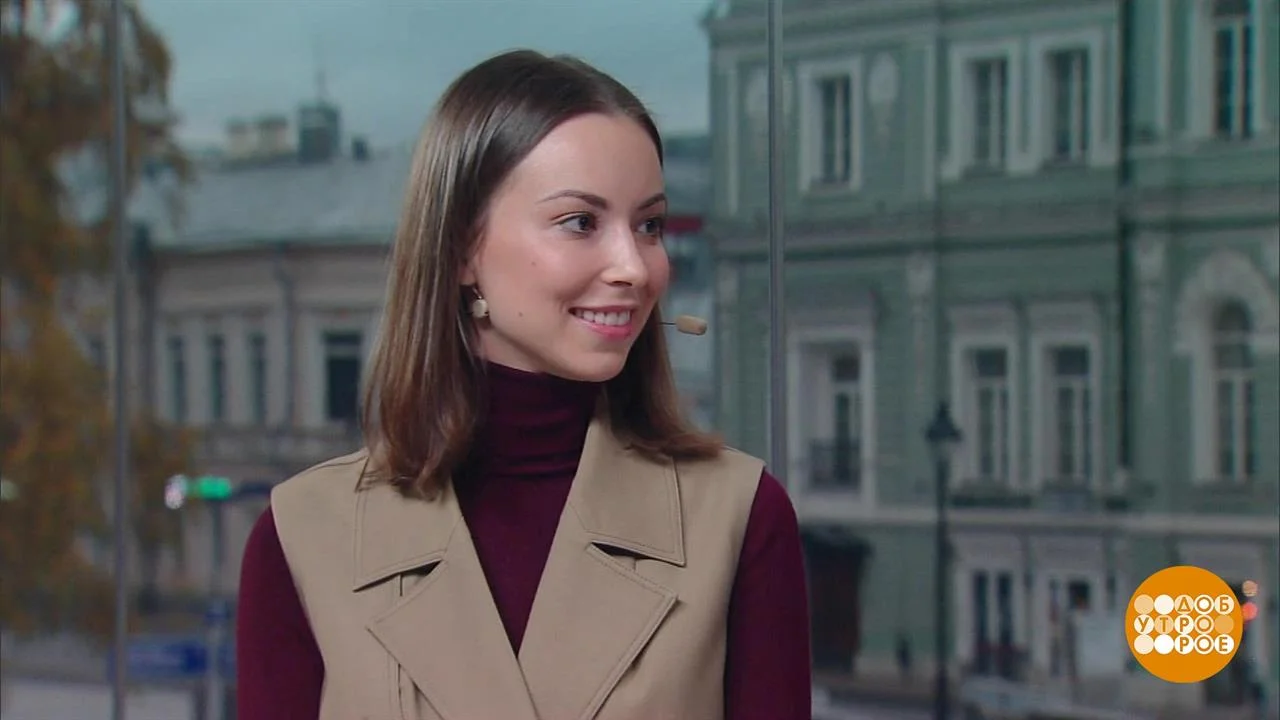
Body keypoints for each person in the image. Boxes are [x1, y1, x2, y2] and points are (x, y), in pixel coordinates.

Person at [236, 49, 811, 720]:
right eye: (581, 222)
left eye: (648, 225)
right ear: (462, 248)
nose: (634, 266)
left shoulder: (740, 521)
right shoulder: (301, 539)